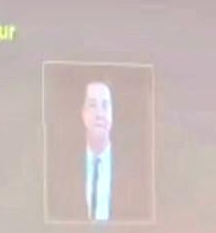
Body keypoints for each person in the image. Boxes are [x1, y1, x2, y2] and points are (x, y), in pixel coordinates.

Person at [45, 76, 152, 224]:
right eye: (92, 105)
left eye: (105, 106)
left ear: (112, 114)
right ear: (83, 113)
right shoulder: (62, 169)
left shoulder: (135, 171)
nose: (99, 114)